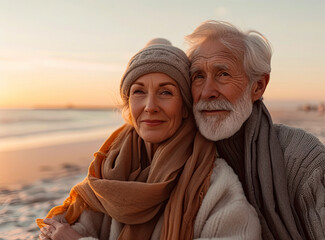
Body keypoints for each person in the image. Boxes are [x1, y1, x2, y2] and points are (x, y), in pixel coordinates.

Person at [37, 38, 262, 240]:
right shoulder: (108, 169)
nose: (150, 106)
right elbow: (76, 227)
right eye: (138, 92)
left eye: (166, 92)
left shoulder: (214, 183)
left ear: (185, 107)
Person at [186, 20, 325, 240]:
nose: (207, 92)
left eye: (223, 74)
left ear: (258, 86)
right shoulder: (179, 157)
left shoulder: (302, 157)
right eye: (198, 76)